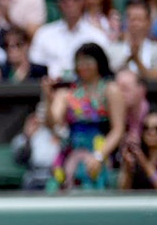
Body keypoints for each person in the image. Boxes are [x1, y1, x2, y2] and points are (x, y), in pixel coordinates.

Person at [47, 43, 124, 192]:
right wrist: (47, 98)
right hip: (71, 151)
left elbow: (118, 129)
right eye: (79, 62)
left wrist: (99, 156)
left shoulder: (110, 90)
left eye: (88, 61)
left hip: (99, 149)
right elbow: (53, 123)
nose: (83, 66)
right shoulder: (67, 93)